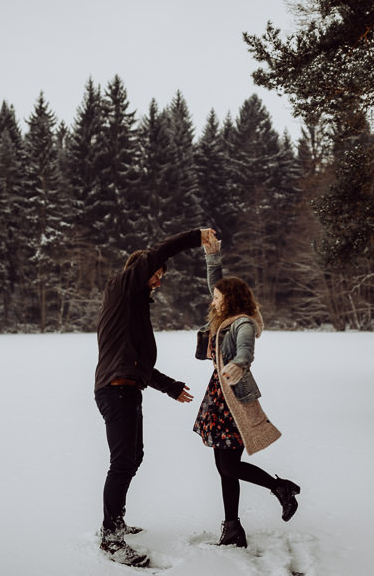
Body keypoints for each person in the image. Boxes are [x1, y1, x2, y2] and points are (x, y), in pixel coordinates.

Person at [94, 228, 215, 567]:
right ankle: (110, 538)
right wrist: (197, 236)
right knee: (122, 463)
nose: (158, 282)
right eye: (156, 276)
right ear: (141, 272)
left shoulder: (131, 311)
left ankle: (115, 521)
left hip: (126, 389)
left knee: (134, 457)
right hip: (115, 390)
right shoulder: (123, 286)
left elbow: (141, 366)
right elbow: (156, 253)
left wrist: (170, 387)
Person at [192, 234, 301, 548]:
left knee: (228, 466)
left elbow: (245, 349)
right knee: (224, 469)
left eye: (217, 297)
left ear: (230, 299)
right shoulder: (224, 317)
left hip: (233, 399)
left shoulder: (242, 323)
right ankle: (232, 527)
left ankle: (280, 488)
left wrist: (239, 364)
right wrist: (213, 256)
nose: (213, 300)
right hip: (218, 397)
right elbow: (217, 282)